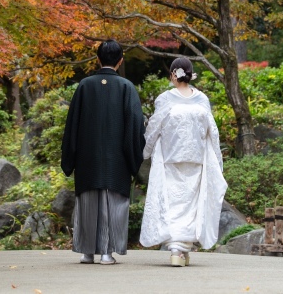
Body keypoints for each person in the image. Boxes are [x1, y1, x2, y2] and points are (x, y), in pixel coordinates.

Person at [61, 40, 146, 265]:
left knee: (88, 202)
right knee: (113, 203)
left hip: (87, 158)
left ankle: (87, 252)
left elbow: (72, 126)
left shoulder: (84, 86)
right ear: (121, 60)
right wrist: (133, 157)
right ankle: (107, 253)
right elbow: (135, 126)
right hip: (117, 159)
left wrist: (70, 158)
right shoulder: (126, 87)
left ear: (97, 59)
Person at [139, 57, 227, 267]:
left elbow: (154, 127)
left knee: (172, 204)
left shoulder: (165, 99)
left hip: (171, 157)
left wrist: (145, 151)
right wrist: (217, 159)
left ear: (173, 74)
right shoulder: (201, 99)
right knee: (190, 205)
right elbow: (212, 132)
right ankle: (181, 249)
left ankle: (177, 249)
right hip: (196, 158)